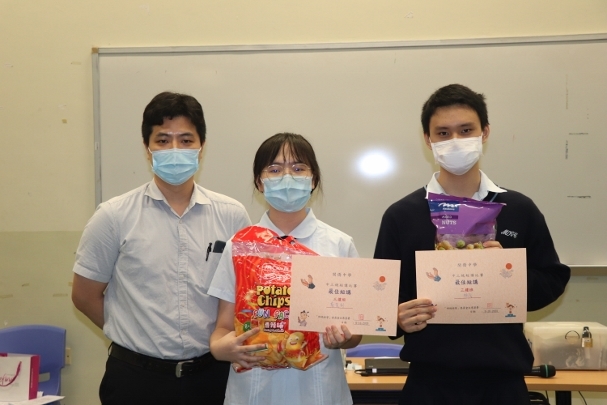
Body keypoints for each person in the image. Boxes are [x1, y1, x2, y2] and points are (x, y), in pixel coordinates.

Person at [374, 84, 570, 405]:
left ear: (485, 132)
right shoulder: (402, 215)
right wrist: (395, 317)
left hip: (503, 384)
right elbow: (381, 298)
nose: (455, 141)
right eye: (443, 133)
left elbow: (553, 280)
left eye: (466, 130)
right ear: (428, 139)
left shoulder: (518, 209)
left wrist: (510, 273)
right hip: (428, 384)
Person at [71, 92, 251, 405]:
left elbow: (243, 294)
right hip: (134, 379)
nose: (175, 149)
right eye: (163, 140)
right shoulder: (113, 216)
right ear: (147, 148)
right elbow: (85, 296)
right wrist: (135, 334)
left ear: (202, 147)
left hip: (212, 377)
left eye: (186, 140)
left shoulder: (232, 215)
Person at [208, 132, 362, 405]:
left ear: (313, 179)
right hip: (254, 391)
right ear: (260, 182)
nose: (287, 177)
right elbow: (222, 330)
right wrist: (222, 349)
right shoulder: (240, 246)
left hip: (319, 391)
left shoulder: (338, 244)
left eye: (298, 168)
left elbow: (355, 333)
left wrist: (343, 339)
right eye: (275, 169)